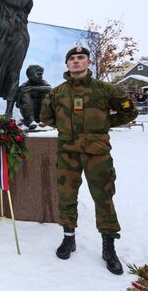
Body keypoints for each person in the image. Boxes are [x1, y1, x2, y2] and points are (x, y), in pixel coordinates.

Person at [40, 46, 138, 275]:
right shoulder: (57, 93)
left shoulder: (106, 89)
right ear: (67, 64)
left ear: (88, 62)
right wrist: (67, 129)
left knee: (103, 198)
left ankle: (108, 247)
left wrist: (103, 125)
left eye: (80, 58)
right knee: (66, 196)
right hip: (67, 152)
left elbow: (129, 112)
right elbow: (45, 117)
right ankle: (68, 239)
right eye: (72, 59)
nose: (76, 62)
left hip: (98, 153)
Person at [16, 65, 51, 130]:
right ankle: (31, 120)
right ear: (30, 75)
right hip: (28, 114)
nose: (41, 76)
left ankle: (43, 119)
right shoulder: (25, 86)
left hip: (41, 112)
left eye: (41, 74)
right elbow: (18, 104)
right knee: (25, 94)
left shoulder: (43, 82)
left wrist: (33, 88)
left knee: (46, 93)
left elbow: (49, 89)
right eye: (38, 74)